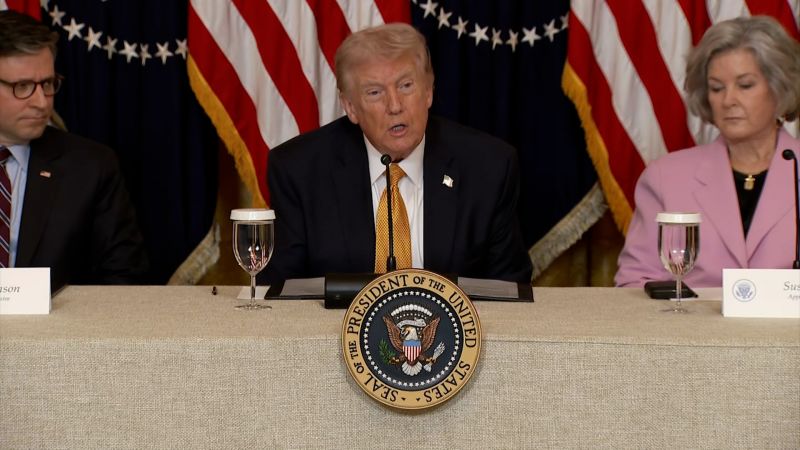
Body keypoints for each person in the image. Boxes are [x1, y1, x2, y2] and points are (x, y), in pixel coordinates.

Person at [262, 23, 531, 283]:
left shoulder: (489, 167)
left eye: (406, 86)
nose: (394, 106)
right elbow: (282, 292)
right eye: (375, 92)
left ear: (428, 91)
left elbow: (509, 290)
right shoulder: (299, 171)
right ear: (350, 107)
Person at [616, 16, 800, 287]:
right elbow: (635, 282)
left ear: (779, 87)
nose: (728, 100)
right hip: (690, 316)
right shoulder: (665, 177)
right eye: (716, 88)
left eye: (745, 85)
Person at [0, 10, 148, 290]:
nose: (42, 103)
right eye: (23, 86)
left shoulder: (91, 167)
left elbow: (124, 279)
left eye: (47, 84)